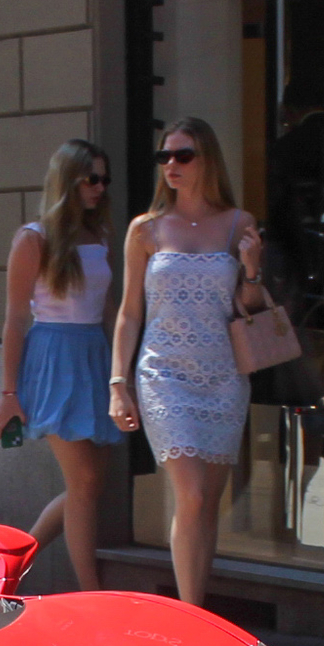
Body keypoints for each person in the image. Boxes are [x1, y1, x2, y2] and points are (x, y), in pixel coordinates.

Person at [108, 117, 267, 609]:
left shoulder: (238, 223)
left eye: (183, 155)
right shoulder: (146, 230)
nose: (171, 165)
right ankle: (192, 616)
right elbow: (130, 312)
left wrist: (254, 267)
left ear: (207, 160)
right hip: (163, 374)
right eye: (165, 156)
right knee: (192, 495)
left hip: (222, 375)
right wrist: (118, 381)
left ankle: (198, 608)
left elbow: (254, 307)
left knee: (206, 504)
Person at [0, 140, 122, 590]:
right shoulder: (34, 238)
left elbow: (108, 307)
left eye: (105, 180)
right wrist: (9, 393)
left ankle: (10, 565)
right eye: (92, 179)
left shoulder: (98, 235)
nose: (100, 188)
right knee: (84, 480)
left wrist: (123, 365)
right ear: (68, 181)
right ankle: (92, 593)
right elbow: (13, 319)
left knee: (88, 485)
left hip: (94, 354)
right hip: (53, 356)